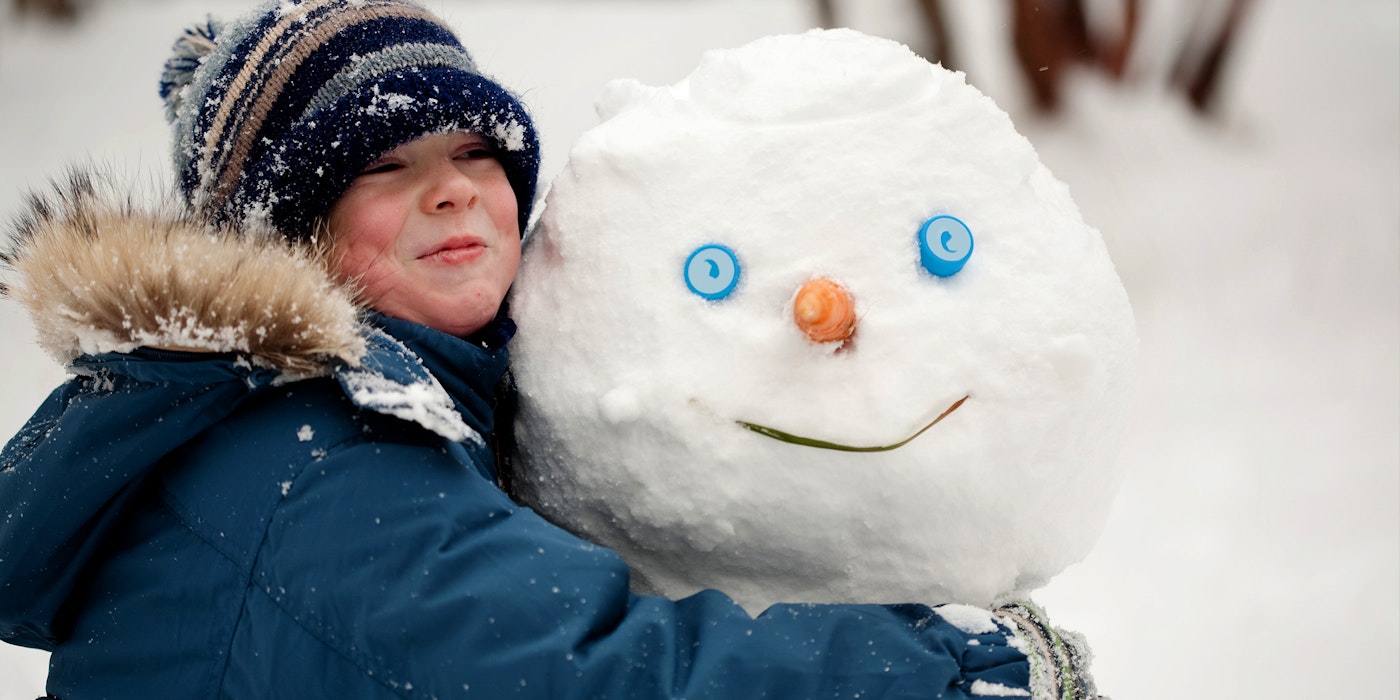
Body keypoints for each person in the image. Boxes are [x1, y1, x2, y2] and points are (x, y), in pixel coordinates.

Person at [0, 1, 1097, 698]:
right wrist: (955, 671)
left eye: (474, 147)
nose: (451, 186)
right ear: (286, 234)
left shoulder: (340, 413)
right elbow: (590, 677)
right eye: (381, 164)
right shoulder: (304, 457)